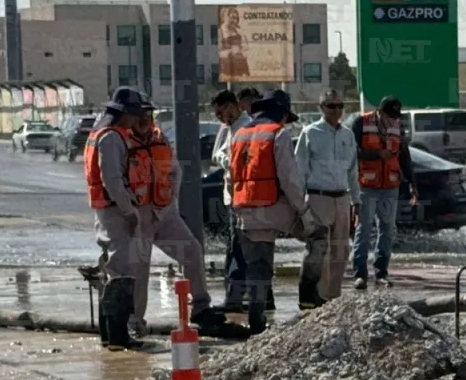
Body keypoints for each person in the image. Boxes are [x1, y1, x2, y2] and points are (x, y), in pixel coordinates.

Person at [84, 87, 224, 350]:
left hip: (161, 211)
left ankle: (201, 308)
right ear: (128, 116)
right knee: (135, 267)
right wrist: (131, 212)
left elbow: (174, 172)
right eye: (140, 116)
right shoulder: (115, 139)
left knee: (191, 250)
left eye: (148, 116)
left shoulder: (159, 139)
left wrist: (169, 202)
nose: (145, 121)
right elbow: (112, 181)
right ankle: (131, 324)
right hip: (130, 215)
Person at [230, 89, 316, 335]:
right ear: (281, 114)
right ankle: (310, 301)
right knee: (319, 236)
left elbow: (230, 177)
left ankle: (256, 319)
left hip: (243, 210)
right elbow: (289, 179)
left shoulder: (239, 135)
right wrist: (304, 212)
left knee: (256, 265)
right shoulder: (278, 134)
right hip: (270, 209)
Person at [295, 89, 359, 301]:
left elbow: (352, 171)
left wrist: (356, 202)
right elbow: (300, 170)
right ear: (321, 108)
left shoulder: (347, 135)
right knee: (320, 251)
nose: (336, 110)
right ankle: (317, 298)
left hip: (342, 198)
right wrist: (299, 205)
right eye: (331, 106)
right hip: (318, 197)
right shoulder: (310, 133)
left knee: (341, 251)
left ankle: (334, 298)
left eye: (340, 106)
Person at [352, 95, 417, 290]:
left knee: (387, 230)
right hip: (366, 186)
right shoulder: (360, 123)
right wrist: (376, 154)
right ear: (379, 112)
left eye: (395, 116)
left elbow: (404, 155)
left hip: (390, 187)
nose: (393, 120)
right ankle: (360, 275)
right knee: (363, 231)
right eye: (389, 116)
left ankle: (381, 273)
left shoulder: (397, 126)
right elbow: (351, 151)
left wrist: (413, 183)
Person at [211, 87, 267, 312]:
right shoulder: (228, 128)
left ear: (232, 106)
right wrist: (228, 160)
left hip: (243, 196)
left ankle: (237, 297)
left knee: (241, 248)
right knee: (235, 247)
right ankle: (237, 294)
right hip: (231, 193)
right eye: (217, 115)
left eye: (221, 112)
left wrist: (231, 161)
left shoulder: (247, 126)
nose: (220, 118)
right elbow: (218, 154)